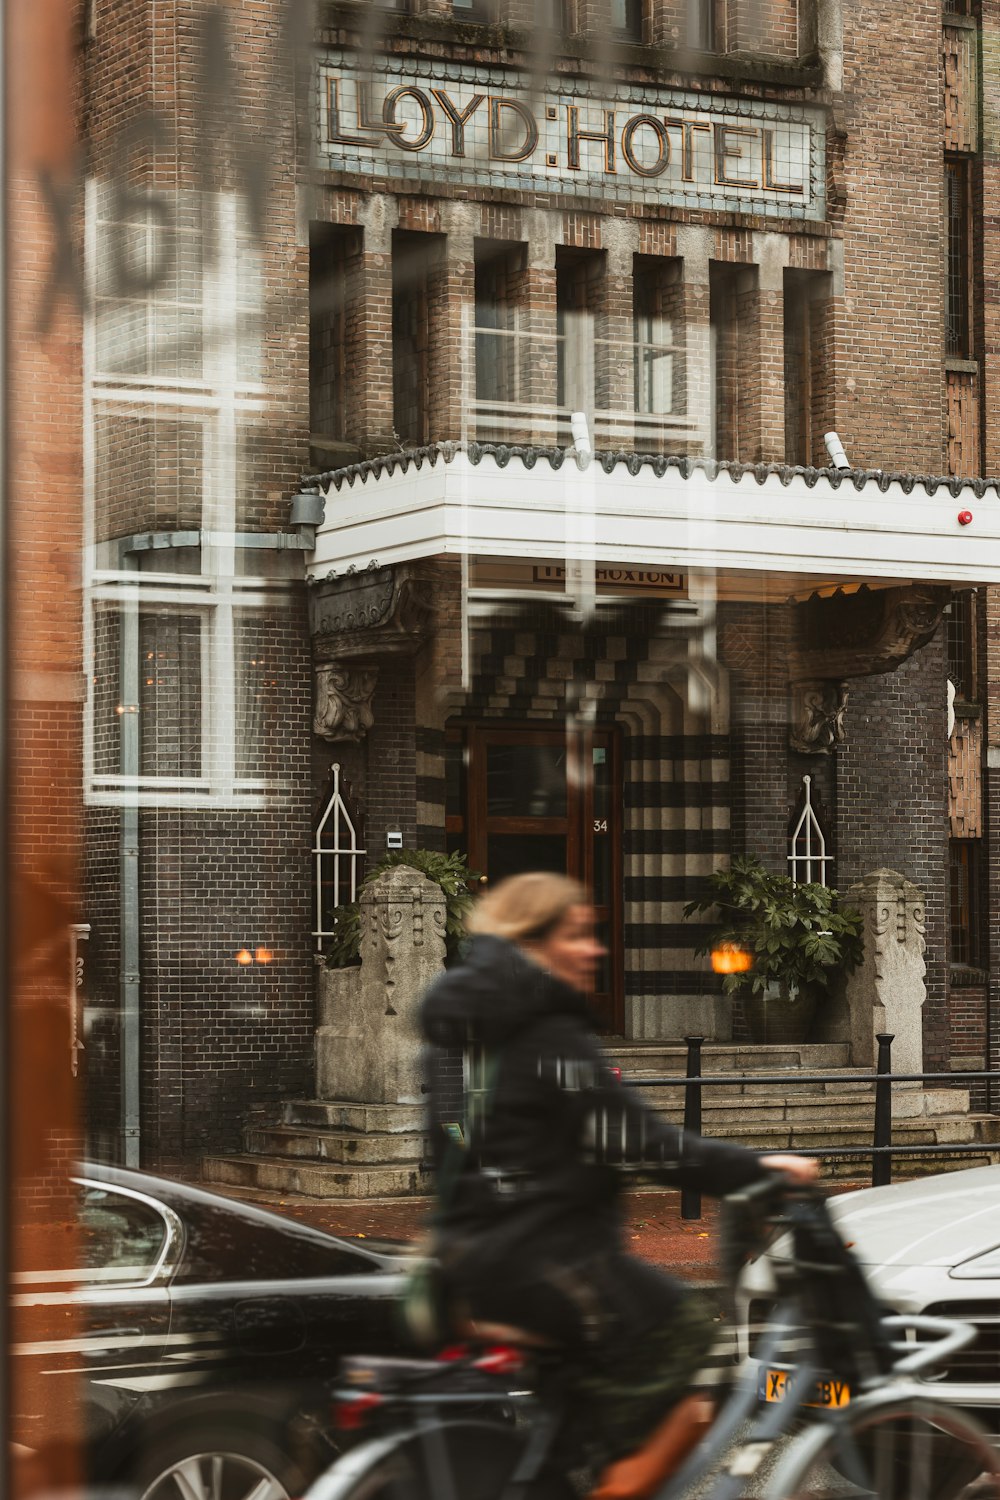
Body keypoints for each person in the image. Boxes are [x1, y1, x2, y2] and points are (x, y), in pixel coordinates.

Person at [419, 871, 818, 1500]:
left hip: (466, 1260)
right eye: (577, 935)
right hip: (550, 1263)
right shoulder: (550, 1032)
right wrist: (760, 1169)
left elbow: (449, 1142)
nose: (596, 950)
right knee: (698, 1343)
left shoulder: (469, 1028)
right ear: (533, 942)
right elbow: (646, 1145)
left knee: (570, 1427)